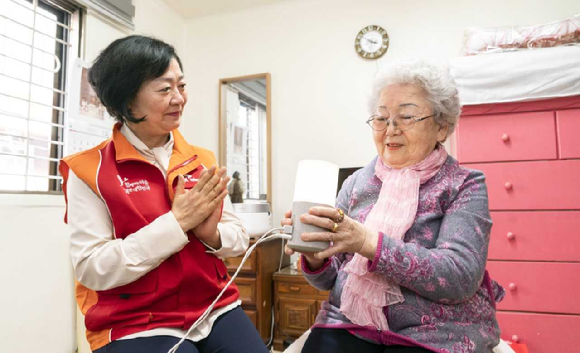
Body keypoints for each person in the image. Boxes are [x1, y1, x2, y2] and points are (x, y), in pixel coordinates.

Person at [59, 35, 269, 353]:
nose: (179, 99)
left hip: (215, 308)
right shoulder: (89, 171)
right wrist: (177, 224)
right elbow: (92, 268)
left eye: (181, 86)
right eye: (164, 89)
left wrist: (212, 235)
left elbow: (238, 238)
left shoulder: (202, 160)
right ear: (128, 102)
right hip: (136, 323)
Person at [282, 60, 504, 353]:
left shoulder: (465, 184)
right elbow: (330, 279)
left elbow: (459, 276)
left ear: (442, 127)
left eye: (407, 117)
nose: (390, 129)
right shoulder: (356, 182)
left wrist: (367, 242)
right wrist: (314, 254)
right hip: (350, 322)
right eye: (381, 118)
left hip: (437, 333)